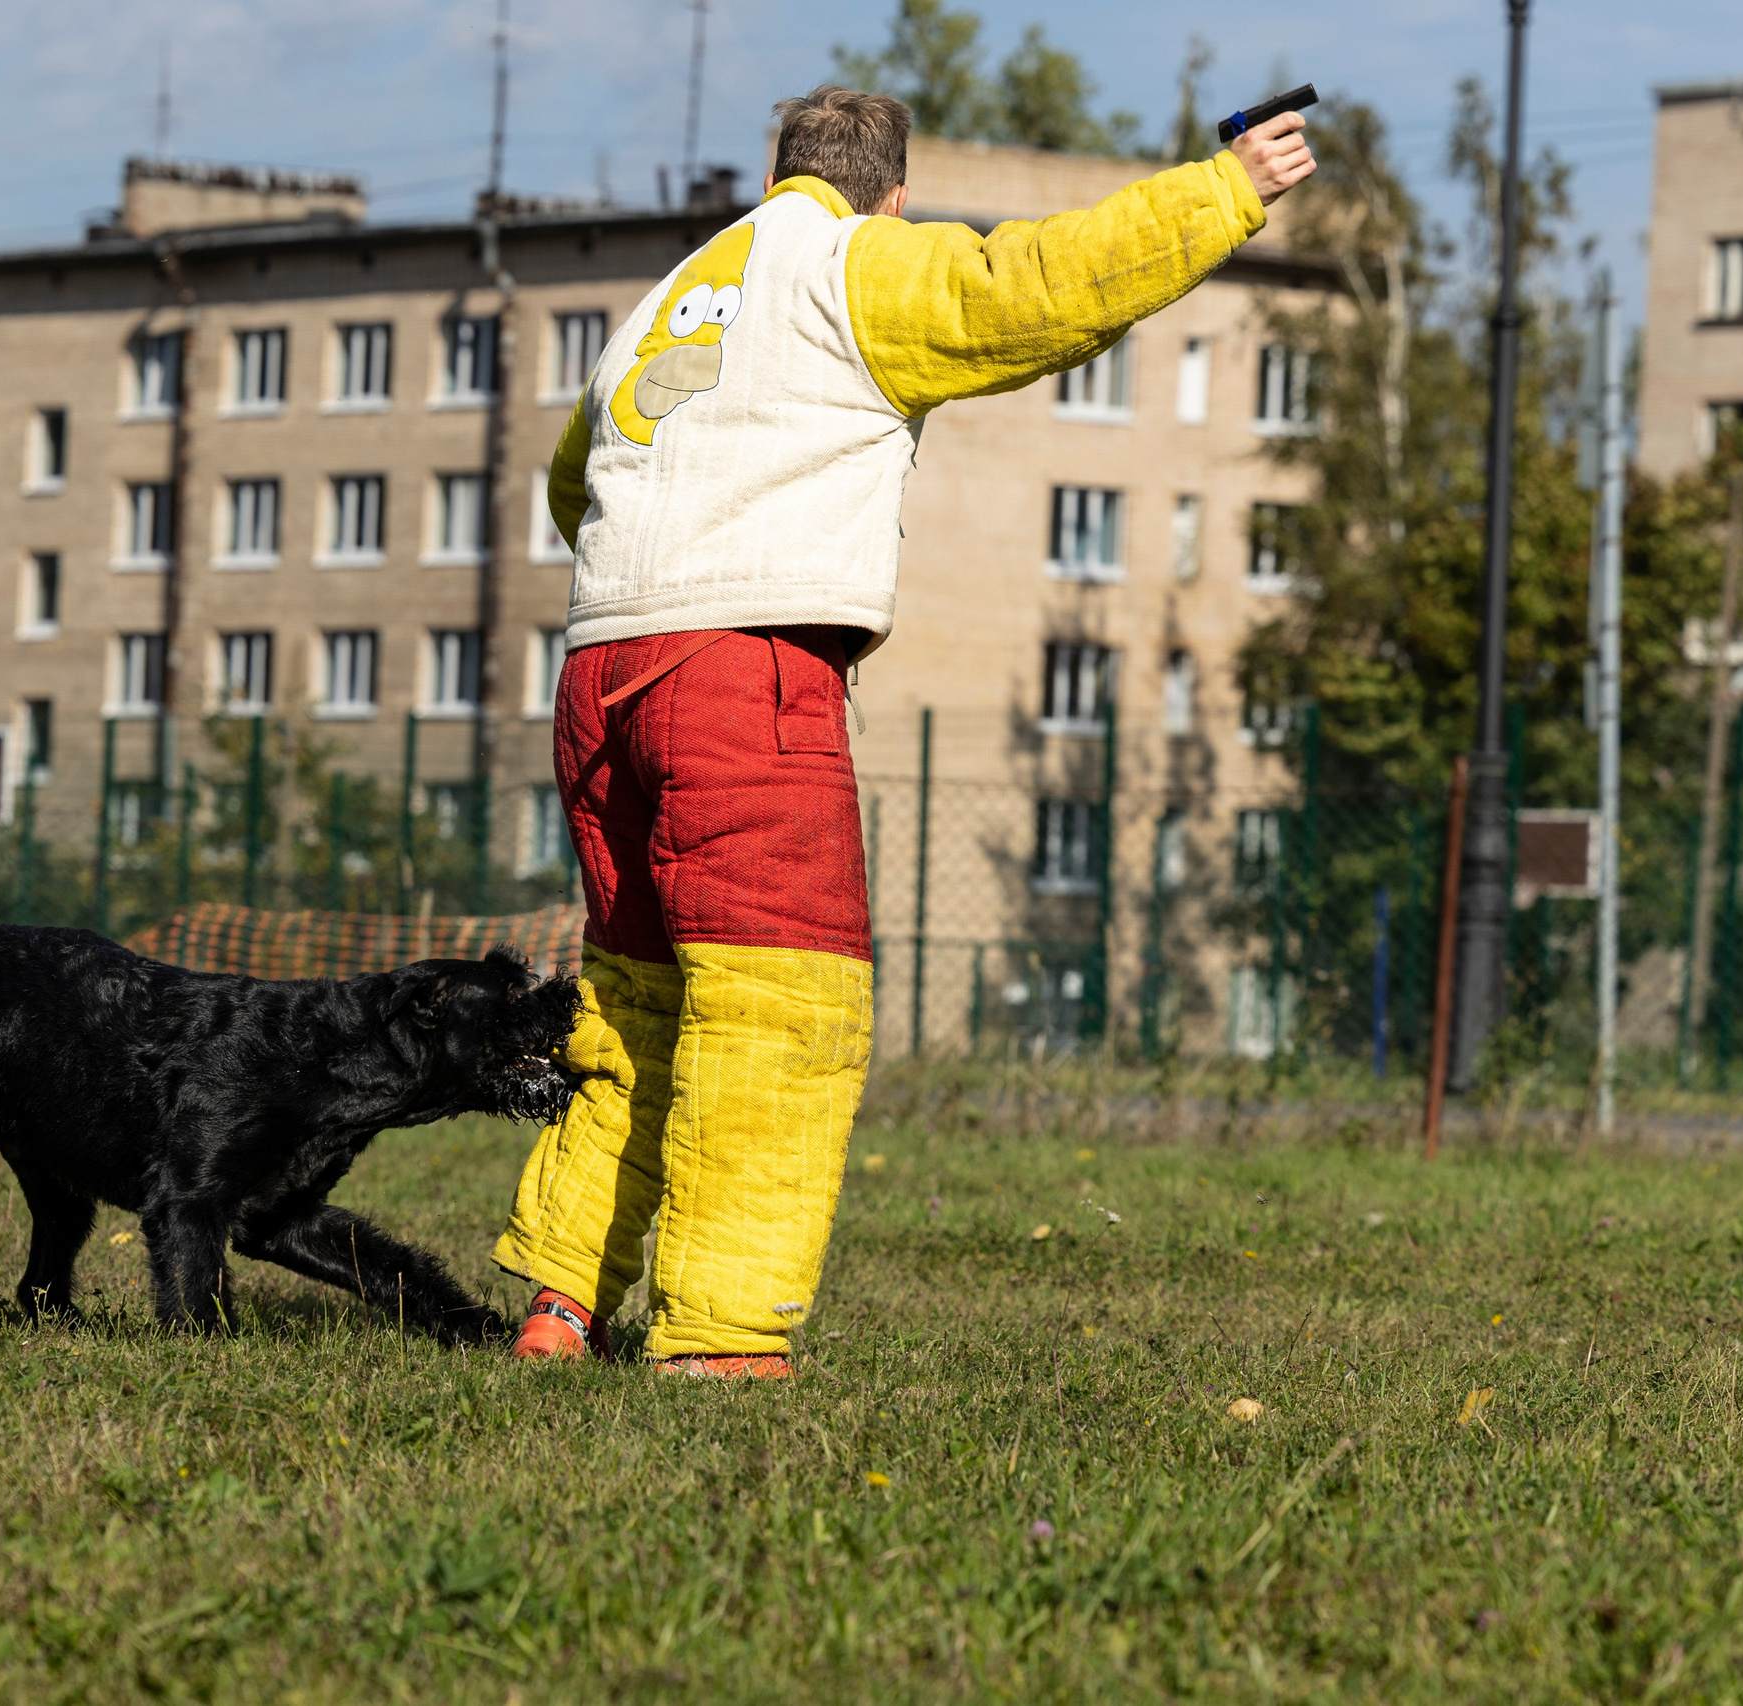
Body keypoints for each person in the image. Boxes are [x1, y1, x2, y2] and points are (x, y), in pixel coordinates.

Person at [493, 84, 1315, 1378]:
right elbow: (1042, 282)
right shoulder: (851, 265)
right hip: (743, 669)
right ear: (893, 194)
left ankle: (560, 1306)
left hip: (601, 667)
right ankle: (716, 1342)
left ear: (779, 170)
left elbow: (571, 478)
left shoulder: (668, 296)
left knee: (637, 1003)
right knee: (778, 1008)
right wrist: (1228, 190)